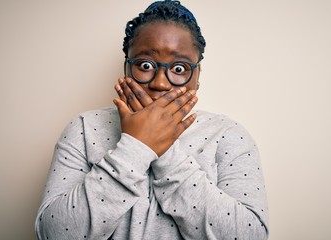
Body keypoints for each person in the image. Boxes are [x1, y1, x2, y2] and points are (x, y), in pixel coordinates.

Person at [35, 0, 269, 239]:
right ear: (126, 68)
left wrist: (165, 151)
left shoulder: (228, 135)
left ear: (197, 77)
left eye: (179, 69)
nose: (160, 83)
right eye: (145, 65)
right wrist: (135, 147)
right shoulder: (85, 128)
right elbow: (53, 233)